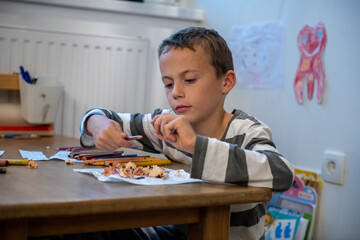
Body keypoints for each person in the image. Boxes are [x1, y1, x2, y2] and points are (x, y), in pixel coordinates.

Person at [79, 27, 294, 240]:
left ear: (225, 82)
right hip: (178, 234)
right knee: (85, 229)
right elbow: (103, 116)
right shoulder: (165, 124)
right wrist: (97, 125)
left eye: (189, 80)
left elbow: (283, 173)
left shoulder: (246, 130)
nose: (176, 93)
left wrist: (194, 145)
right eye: (168, 83)